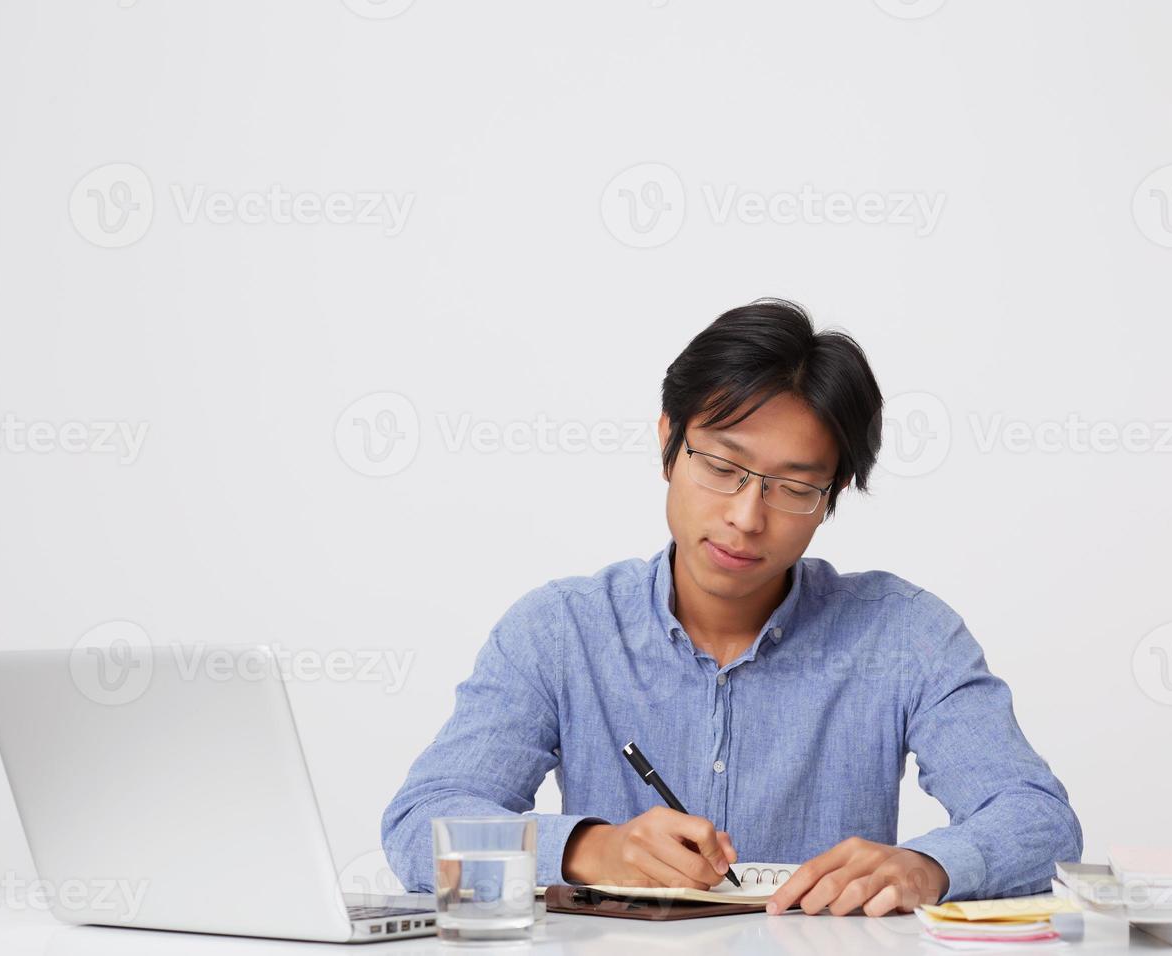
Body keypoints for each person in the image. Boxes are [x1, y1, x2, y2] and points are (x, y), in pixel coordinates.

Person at [381, 298, 1081, 916]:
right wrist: (591, 849)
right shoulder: (559, 631)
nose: (748, 517)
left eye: (794, 487)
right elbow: (423, 822)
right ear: (668, 444)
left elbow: (1038, 819)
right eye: (721, 467)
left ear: (831, 499)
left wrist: (930, 866)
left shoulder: (905, 634)